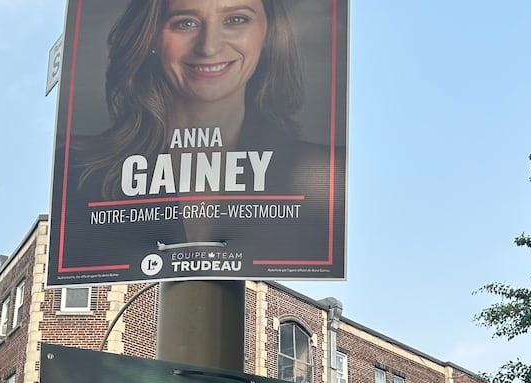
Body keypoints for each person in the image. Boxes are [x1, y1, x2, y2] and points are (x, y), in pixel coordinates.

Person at [53, 0, 339, 279]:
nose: (209, 46)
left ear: (269, 34)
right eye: (185, 22)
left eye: (236, 19)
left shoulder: (324, 173)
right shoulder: (76, 174)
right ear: (152, 36)